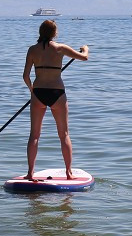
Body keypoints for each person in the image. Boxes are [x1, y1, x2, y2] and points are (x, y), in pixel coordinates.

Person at [22, 20, 90, 180]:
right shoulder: (61, 48)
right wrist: (85, 49)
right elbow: (84, 58)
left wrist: (32, 90)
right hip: (57, 93)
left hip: (38, 93)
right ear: (54, 33)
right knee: (64, 134)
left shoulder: (32, 50)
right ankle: (68, 172)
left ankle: (30, 172)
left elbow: (25, 76)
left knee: (34, 135)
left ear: (40, 32)